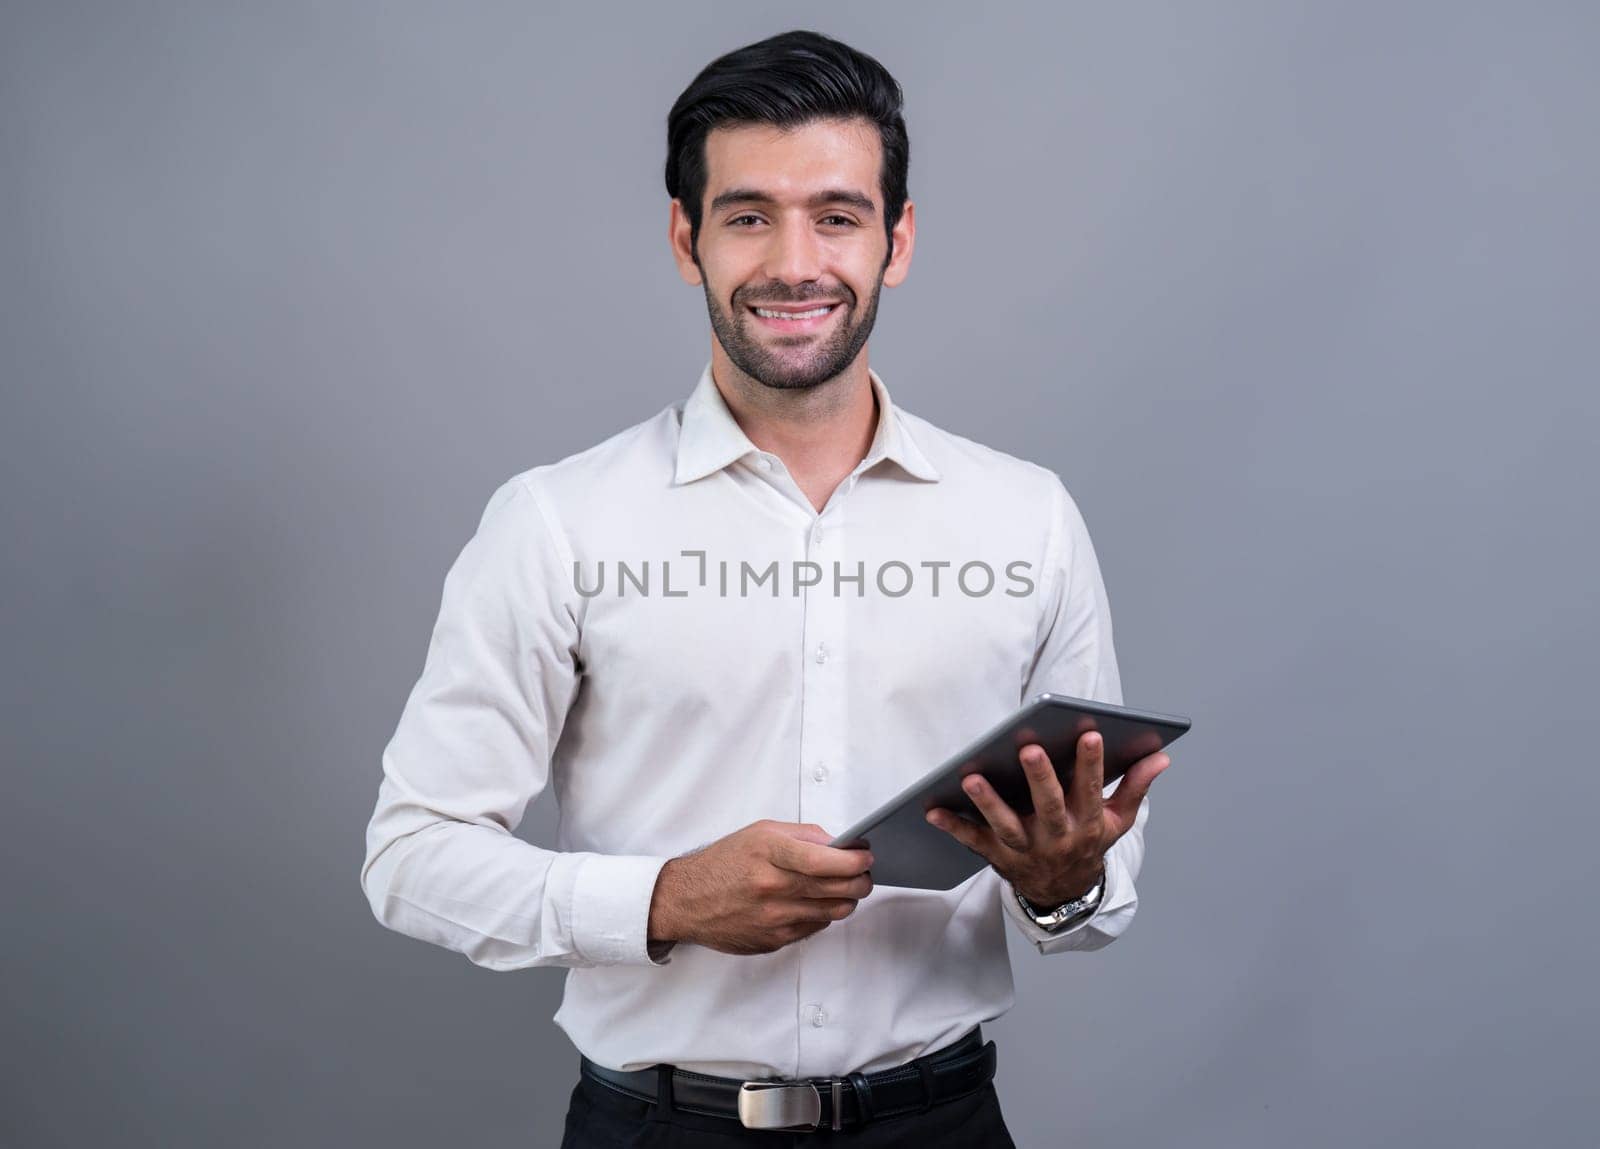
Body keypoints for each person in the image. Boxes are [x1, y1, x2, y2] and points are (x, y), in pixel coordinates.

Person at [360, 28, 1173, 1148]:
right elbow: (409, 859)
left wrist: (1063, 879)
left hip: (941, 1125)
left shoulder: (1025, 517)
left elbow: (1093, 902)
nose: (795, 262)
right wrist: (661, 903)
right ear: (687, 241)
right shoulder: (556, 521)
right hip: (656, 1128)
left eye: (837, 215)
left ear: (897, 240)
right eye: (749, 216)